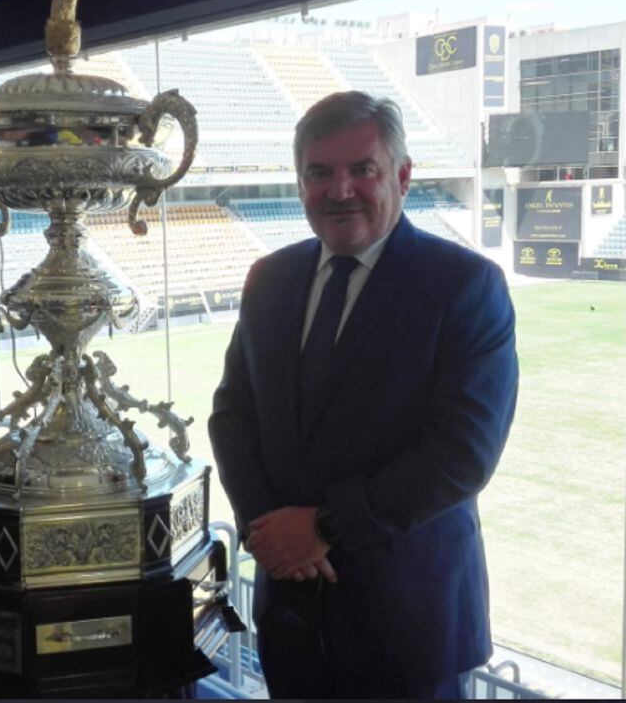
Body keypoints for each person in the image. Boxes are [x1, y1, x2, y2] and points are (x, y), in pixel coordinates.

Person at [209, 91, 518, 698]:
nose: (339, 189)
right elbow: (233, 414)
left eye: (362, 170)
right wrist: (265, 533)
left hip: (409, 624)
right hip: (291, 613)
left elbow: (462, 455)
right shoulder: (269, 279)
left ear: (401, 176)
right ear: (300, 183)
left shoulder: (464, 286)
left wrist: (324, 526)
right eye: (319, 173)